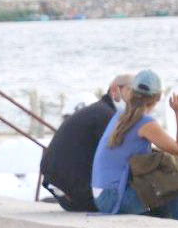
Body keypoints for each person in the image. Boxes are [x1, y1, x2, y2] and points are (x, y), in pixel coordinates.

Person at [90, 69, 178, 223]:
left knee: (173, 173)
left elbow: (169, 148)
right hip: (115, 199)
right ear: (159, 97)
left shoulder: (121, 116)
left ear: (133, 91)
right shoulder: (145, 123)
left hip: (103, 197)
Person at [40, 74, 133, 211]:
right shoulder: (106, 116)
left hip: (59, 183)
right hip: (73, 188)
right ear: (114, 90)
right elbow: (116, 157)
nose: (137, 99)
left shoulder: (98, 110)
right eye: (132, 92)